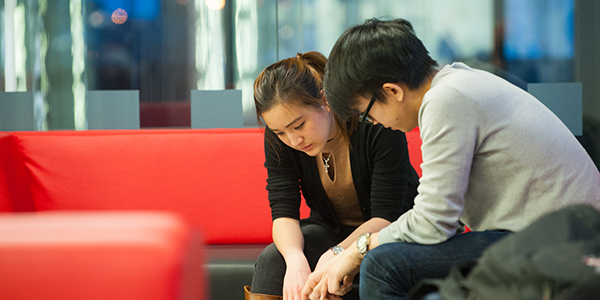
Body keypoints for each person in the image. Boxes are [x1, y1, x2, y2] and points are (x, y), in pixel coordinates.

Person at [301, 18, 600, 300]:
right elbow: (443, 216)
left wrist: (358, 249)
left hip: (561, 241)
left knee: (383, 264)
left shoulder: (445, 101)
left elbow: (433, 222)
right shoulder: (456, 83)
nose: (374, 124)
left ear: (392, 91)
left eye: (365, 114)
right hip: (547, 231)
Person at [244, 51, 420, 300]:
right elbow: (283, 212)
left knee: (367, 263)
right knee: (275, 259)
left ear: (325, 101)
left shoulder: (375, 124)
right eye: (281, 132)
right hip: (332, 229)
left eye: (299, 125)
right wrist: (295, 260)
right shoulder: (280, 138)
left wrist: (338, 252)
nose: (293, 140)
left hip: (390, 233)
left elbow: (386, 216)